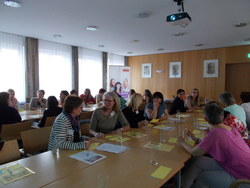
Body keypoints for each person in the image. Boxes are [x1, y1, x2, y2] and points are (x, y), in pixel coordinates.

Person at [178, 103, 250, 188]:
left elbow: (195, 152)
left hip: (243, 178)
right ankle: (181, 185)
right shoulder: (230, 128)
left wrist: (181, 142)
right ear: (222, 116)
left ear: (205, 119)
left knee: (202, 176)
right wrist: (195, 139)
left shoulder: (215, 133)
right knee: (200, 161)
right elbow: (210, 144)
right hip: (239, 166)